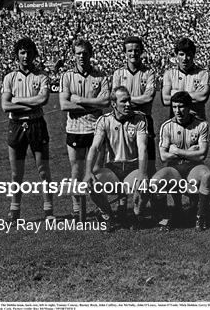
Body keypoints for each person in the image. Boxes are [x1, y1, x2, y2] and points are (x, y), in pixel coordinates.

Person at [1, 37, 54, 222]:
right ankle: (14, 211)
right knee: (16, 173)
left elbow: (43, 100)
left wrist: (17, 100)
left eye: (29, 52)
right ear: (17, 55)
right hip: (16, 126)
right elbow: (5, 106)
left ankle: (49, 211)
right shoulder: (10, 77)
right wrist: (29, 103)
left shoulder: (41, 76)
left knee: (43, 170)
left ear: (34, 54)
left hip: (36, 125)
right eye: (22, 52)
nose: (25, 56)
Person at [82, 86, 148, 232]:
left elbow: (142, 147)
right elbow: (95, 147)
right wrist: (88, 172)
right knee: (93, 183)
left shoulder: (139, 119)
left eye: (129, 100)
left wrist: (143, 173)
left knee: (144, 185)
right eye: (123, 101)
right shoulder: (104, 121)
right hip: (113, 169)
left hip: (133, 168)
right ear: (113, 104)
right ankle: (107, 215)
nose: (128, 104)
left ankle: (137, 215)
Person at [59, 39, 110, 220]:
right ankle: (76, 209)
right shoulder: (67, 76)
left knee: (96, 172)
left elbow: (106, 102)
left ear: (91, 54)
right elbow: (64, 104)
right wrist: (92, 106)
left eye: (85, 53)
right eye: (78, 53)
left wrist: (79, 100)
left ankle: (102, 209)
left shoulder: (100, 76)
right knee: (76, 172)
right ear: (74, 55)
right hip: (75, 129)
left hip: (96, 130)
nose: (82, 56)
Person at [153, 91, 210, 231]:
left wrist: (177, 151)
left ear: (188, 107)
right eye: (174, 107)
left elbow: (202, 155)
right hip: (174, 169)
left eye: (181, 107)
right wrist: (190, 152)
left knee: (207, 175)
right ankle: (167, 217)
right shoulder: (166, 126)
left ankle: (201, 216)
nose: (177, 111)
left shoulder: (201, 125)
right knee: (156, 181)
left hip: (194, 168)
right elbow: (163, 157)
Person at [112, 36, 157, 179]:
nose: (133, 53)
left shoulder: (149, 73)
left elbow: (148, 97)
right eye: (129, 50)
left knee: (149, 165)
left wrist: (124, 100)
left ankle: (156, 201)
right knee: (122, 164)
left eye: (136, 50)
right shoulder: (118, 73)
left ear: (142, 52)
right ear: (124, 53)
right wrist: (138, 100)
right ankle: (123, 201)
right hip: (124, 123)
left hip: (144, 120)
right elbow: (114, 100)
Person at [162, 37, 210, 120]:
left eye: (188, 55)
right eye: (181, 54)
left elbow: (202, 97)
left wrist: (174, 93)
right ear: (176, 55)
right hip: (175, 124)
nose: (184, 58)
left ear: (193, 55)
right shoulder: (169, 74)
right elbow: (166, 99)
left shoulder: (203, 74)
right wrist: (193, 95)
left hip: (197, 123)